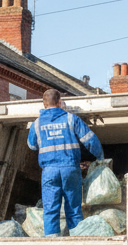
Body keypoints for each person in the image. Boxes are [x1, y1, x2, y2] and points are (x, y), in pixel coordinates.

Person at [27, 89, 104, 236]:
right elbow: (90, 140)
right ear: (60, 101)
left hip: (49, 171)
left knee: (50, 210)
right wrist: (100, 158)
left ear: (44, 104)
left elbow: (31, 146)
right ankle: (78, 240)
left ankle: (52, 243)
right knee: (73, 209)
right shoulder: (71, 118)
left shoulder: (37, 124)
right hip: (70, 169)